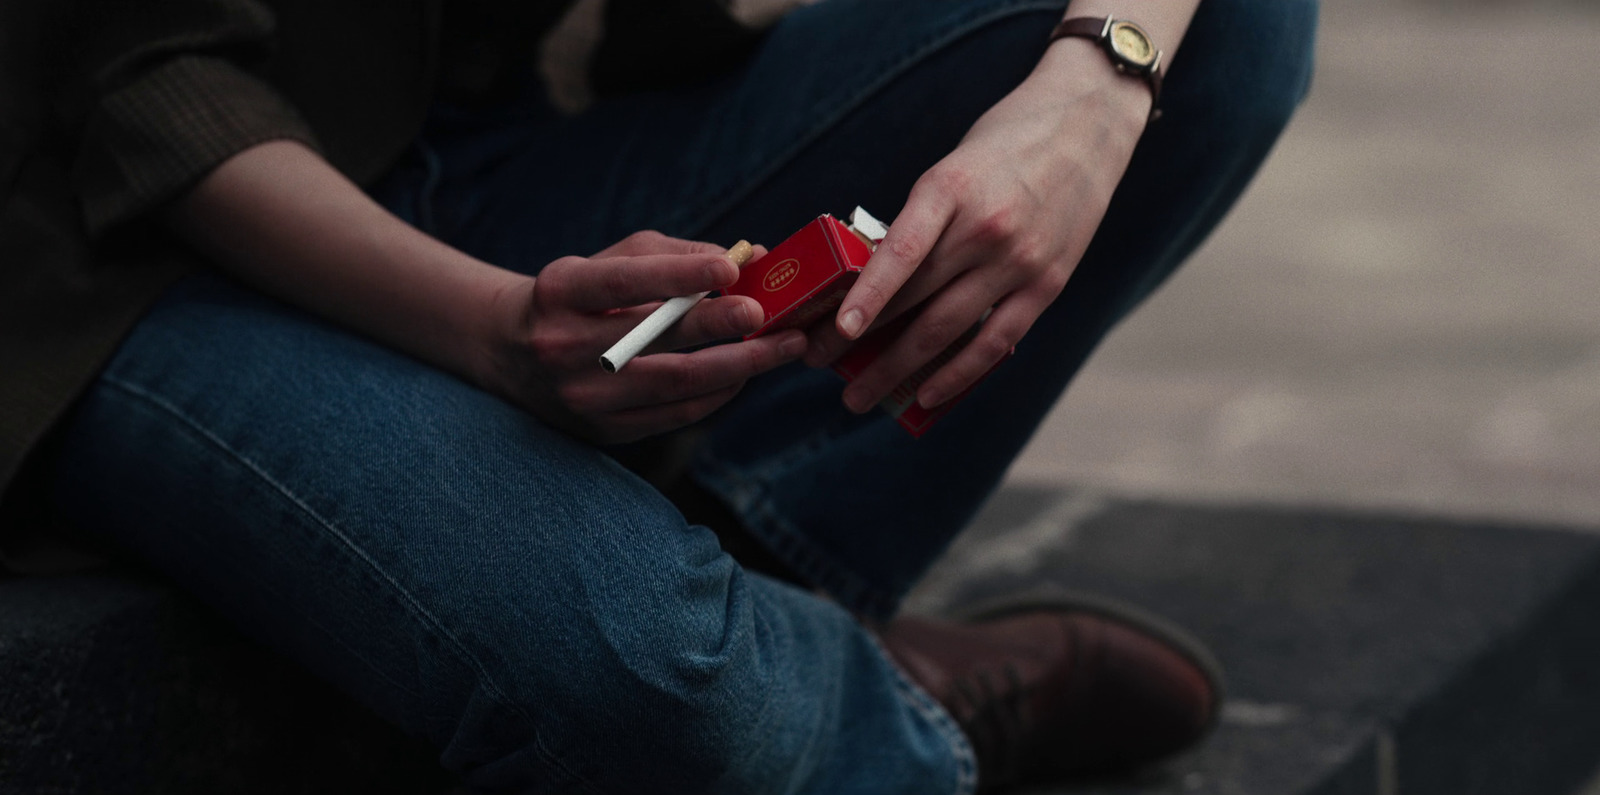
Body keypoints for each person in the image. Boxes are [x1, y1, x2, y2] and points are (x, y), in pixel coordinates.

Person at [0, 0, 1317, 792]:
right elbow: (143, 86)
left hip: (468, 141)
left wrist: (1098, 82)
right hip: (104, 256)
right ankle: (889, 707)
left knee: (1217, 27)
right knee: (653, 682)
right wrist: (498, 333)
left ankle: (741, 581)